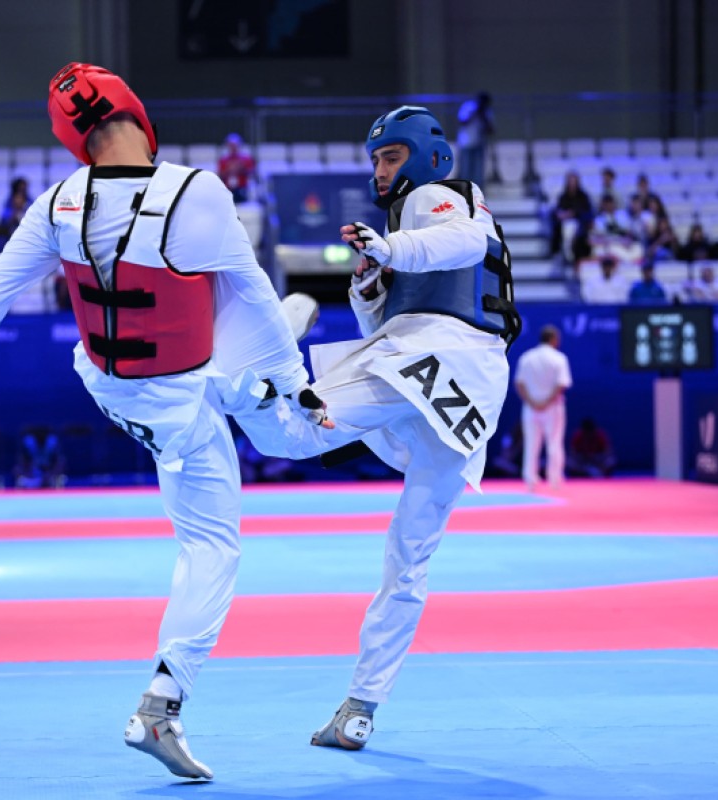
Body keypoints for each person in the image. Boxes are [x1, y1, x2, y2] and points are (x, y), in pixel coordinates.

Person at [0, 63, 316, 782]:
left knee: (229, 353)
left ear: (74, 139)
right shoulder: (198, 192)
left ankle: (257, 389)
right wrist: (298, 381)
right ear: (136, 113)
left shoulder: (57, 204)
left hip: (114, 387)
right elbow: (251, 292)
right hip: (185, 398)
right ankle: (162, 703)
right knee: (237, 509)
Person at [233, 104, 519, 752]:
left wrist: (392, 250)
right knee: (408, 555)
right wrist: (369, 290)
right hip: (463, 388)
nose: (380, 170)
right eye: (375, 160)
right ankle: (361, 707)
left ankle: (257, 369)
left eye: (391, 156)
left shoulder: (445, 197)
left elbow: (465, 242)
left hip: (432, 357)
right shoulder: (405, 227)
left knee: (289, 436)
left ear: (429, 158)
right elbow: (387, 321)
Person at [513, 325, 572, 490]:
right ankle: (555, 478)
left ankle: (530, 479)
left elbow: (519, 383)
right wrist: (545, 402)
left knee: (531, 443)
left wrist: (532, 401)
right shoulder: (559, 358)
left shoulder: (527, 357)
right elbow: (561, 384)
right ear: (553, 339)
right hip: (552, 407)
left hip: (531, 407)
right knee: (554, 442)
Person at [549, 171, 593, 264]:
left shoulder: (583, 196)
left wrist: (573, 213)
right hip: (564, 223)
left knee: (577, 231)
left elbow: (586, 211)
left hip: (579, 224)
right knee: (557, 226)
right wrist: (561, 214)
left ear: (577, 182)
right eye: (570, 181)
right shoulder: (563, 196)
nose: (572, 184)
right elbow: (559, 210)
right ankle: (557, 253)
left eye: (574, 181)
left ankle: (576, 256)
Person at [455, 91, 494, 186]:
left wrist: (483, 116)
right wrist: (475, 113)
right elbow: (462, 121)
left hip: (479, 143)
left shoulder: (486, 111)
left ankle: (477, 189)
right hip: (466, 143)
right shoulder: (468, 106)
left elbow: (490, 129)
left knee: (478, 171)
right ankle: (465, 188)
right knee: (465, 169)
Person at [216, 133, 256, 203]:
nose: (233, 148)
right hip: (227, 189)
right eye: (231, 145)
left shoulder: (246, 159)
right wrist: (229, 170)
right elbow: (220, 175)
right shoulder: (223, 160)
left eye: (235, 145)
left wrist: (241, 169)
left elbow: (252, 173)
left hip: (242, 188)